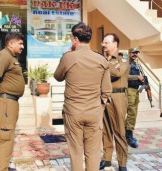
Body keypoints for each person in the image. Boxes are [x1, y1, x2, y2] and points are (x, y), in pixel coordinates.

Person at [54, 22, 112, 171]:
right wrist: (99, 108)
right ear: (90, 38)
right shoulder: (101, 60)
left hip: (73, 112)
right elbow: (106, 91)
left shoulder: (69, 57)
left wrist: (68, 53)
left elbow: (57, 76)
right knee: (93, 153)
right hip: (94, 112)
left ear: (74, 39)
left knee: (76, 152)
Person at [0, 32, 25, 171]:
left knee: (8, 136)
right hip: (5, 101)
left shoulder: (10, 56)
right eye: (20, 43)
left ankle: (4, 167)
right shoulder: (4, 55)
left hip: (10, 102)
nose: (22, 46)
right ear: (11, 43)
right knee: (6, 137)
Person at [100, 33, 129, 171]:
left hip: (118, 97)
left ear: (115, 44)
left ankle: (122, 163)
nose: (103, 45)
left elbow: (118, 73)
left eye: (106, 42)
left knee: (119, 131)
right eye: (103, 42)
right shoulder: (103, 58)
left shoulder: (123, 57)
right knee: (105, 130)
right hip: (104, 97)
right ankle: (106, 159)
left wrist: (103, 65)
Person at [126, 48, 143, 148]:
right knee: (131, 111)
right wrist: (137, 77)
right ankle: (128, 135)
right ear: (129, 53)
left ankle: (128, 132)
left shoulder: (136, 64)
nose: (135, 54)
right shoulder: (127, 63)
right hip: (129, 90)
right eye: (133, 53)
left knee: (134, 111)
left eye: (136, 53)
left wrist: (142, 82)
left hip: (136, 90)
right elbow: (125, 76)